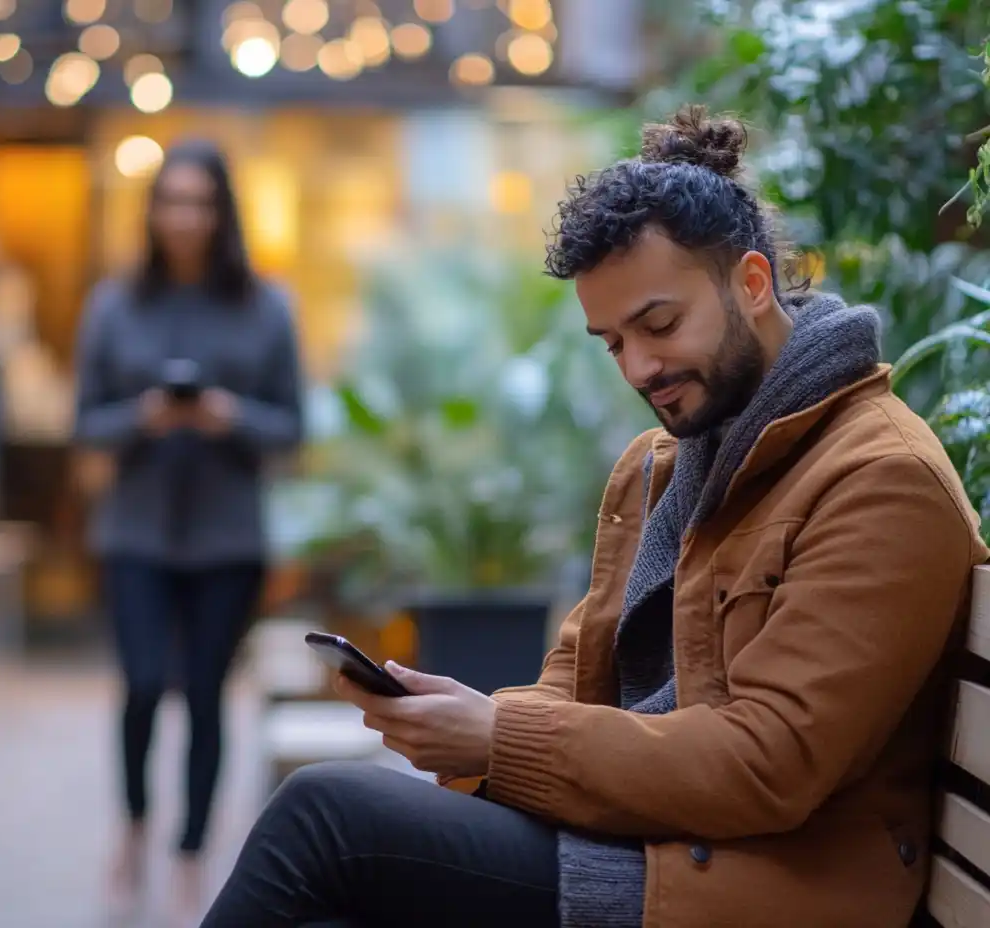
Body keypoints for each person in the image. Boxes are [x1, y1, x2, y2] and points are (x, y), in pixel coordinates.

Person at [199, 106, 989, 928]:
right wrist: (471, 719)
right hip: (651, 846)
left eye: (659, 324)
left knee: (329, 818)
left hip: (757, 882)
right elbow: (573, 686)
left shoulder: (879, 477)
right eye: (612, 342)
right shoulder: (666, 464)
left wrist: (497, 740)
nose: (640, 366)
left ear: (753, 285)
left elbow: (771, 763)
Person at [73, 139, 304, 919]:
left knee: (205, 696)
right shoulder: (114, 303)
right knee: (141, 687)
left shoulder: (265, 305)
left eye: (200, 202)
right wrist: (141, 417)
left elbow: (292, 429)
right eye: (171, 200)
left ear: (222, 212)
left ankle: (189, 855)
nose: (184, 217)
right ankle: (135, 824)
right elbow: (86, 425)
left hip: (227, 537)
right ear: (152, 209)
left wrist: (229, 416)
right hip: (134, 530)